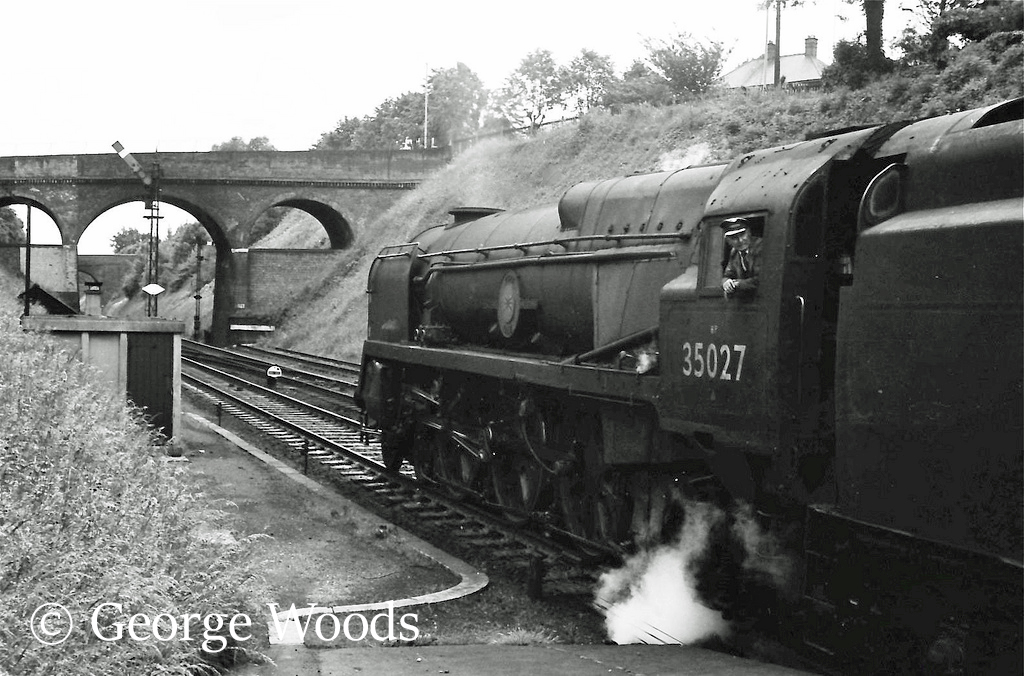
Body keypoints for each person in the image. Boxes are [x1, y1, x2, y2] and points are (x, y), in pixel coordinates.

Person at [721, 217, 761, 299]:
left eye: (743, 234)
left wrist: (737, 284)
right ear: (728, 241)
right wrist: (726, 282)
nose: (740, 240)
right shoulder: (734, 252)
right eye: (734, 238)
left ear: (749, 232)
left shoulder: (761, 247)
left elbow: (761, 279)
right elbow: (728, 274)